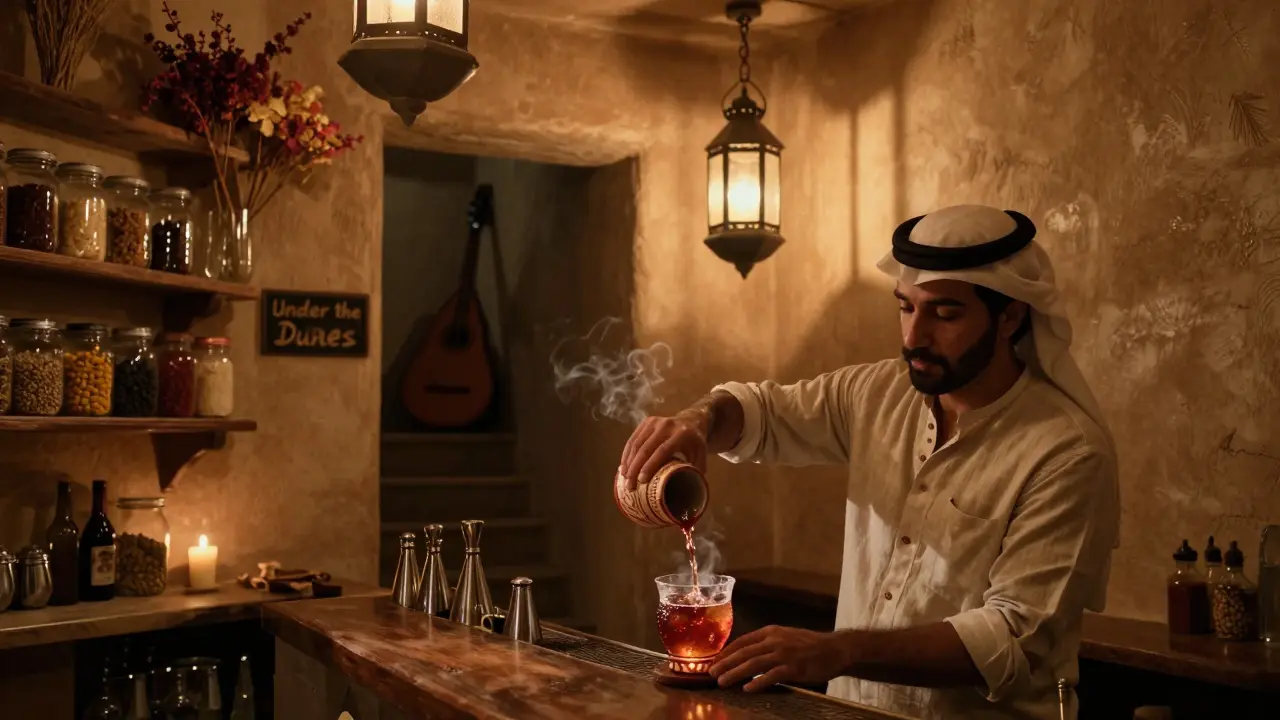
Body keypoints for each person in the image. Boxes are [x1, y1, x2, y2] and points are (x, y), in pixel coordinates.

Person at [618, 204, 1120, 720]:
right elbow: (762, 412)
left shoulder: (1066, 451)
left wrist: (836, 651)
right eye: (906, 307)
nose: (914, 336)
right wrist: (697, 420)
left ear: (1010, 316)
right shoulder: (877, 393)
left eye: (945, 314)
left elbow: (1010, 636)